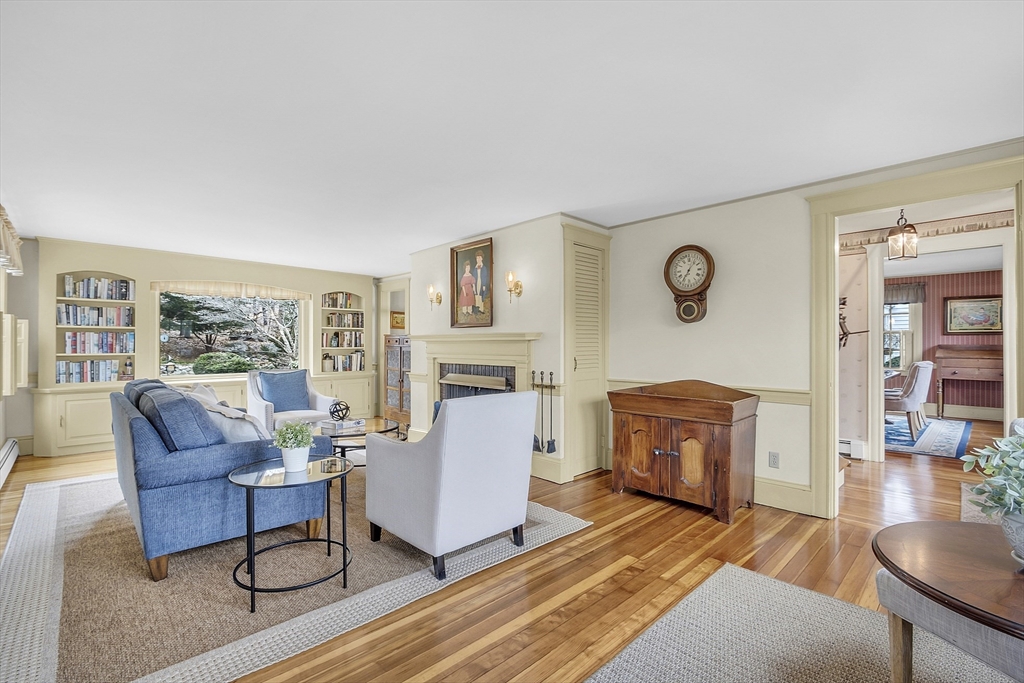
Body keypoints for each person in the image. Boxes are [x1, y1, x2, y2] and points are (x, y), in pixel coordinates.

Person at [472, 250, 489, 314]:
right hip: (476, 283)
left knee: (481, 295)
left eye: (479, 258)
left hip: (481, 282)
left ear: (481, 258)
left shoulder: (484, 268)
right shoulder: (475, 268)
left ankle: (481, 309)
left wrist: (484, 285)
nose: (478, 259)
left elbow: (484, 276)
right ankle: (477, 307)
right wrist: (473, 285)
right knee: (477, 294)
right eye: (477, 258)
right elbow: (473, 277)